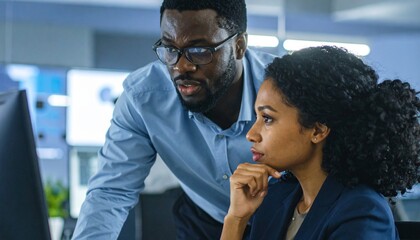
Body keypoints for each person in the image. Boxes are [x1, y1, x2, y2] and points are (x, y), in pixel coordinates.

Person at [71, 0, 275, 239]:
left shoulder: (286, 90)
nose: (182, 66)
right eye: (170, 49)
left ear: (239, 46)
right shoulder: (143, 99)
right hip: (206, 221)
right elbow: (110, 192)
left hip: (285, 219)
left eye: (199, 51)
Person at [221, 46, 420, 239]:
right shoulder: (274, 196)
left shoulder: (362, 211)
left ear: (317, 130)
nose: (251, 135)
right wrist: (236, 219)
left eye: (267, 119)